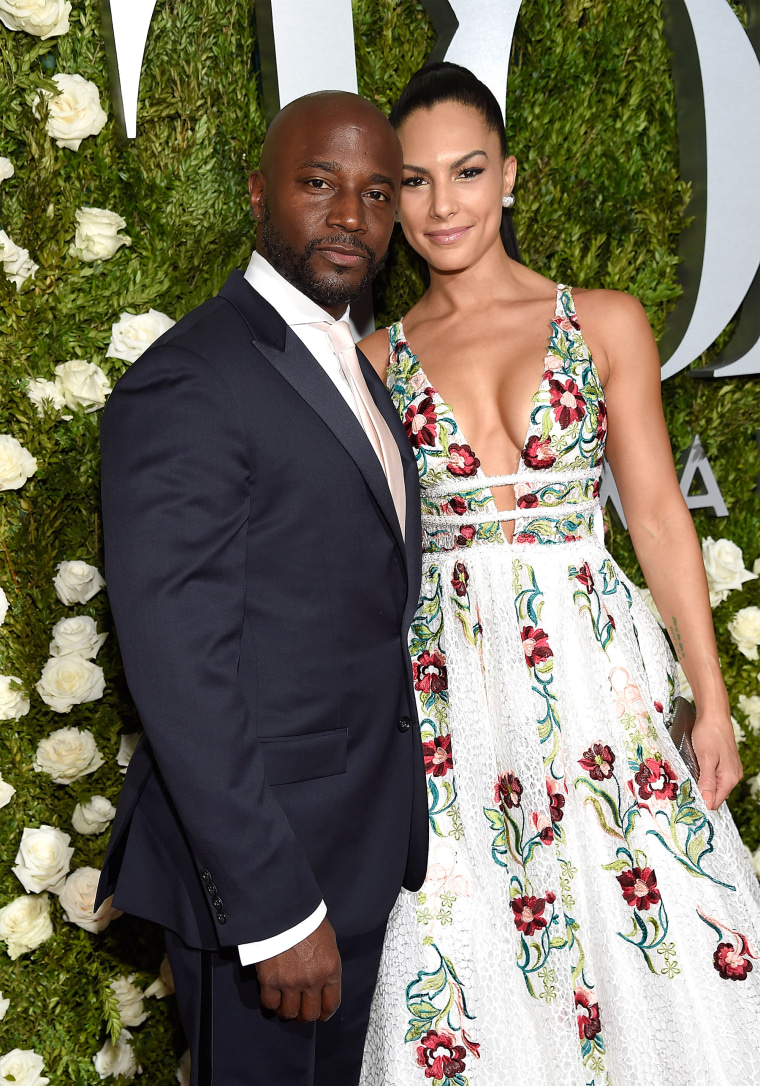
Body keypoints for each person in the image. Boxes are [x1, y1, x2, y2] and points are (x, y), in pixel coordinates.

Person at [358, 63, 760, 1086]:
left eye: (467, 171)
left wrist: (710, 702)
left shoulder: (604, 322)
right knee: (475, 953)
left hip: (596, 683)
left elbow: (662, 522)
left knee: (654, 931)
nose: (442, 204)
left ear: (510, 178)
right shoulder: (370, 360)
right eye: (413, 181)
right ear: (390, 198)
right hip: (449, 699)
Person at [95, 90, 428, 1086]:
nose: (349, 218)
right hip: (270, 886)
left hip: (352, 849)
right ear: (256, 194)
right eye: (317, 184)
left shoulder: (345, 361)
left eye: (375, 193)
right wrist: (275, 907)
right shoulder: (192, 379)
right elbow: (178, 667)